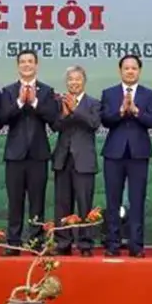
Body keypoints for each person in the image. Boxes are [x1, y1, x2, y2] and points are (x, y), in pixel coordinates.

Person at [0, 49, 58, 254]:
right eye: (22, 61)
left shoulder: (47, 91)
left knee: (37, 202)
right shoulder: (8, 91)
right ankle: (13, 243)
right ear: (18, 66)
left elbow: (54, 119)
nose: (26, 65)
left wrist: (34, 102)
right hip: (14, 155)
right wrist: (19, 102)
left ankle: (35, 243)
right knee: (15, 201)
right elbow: (2, 118)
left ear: (36, 65)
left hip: (38, 155)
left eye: (30, 61)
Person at [100, 54, 152, 257]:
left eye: (134, 68)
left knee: (137, 200)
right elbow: (105, 120)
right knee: (113, 201)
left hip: (138, 154)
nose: (130, 71)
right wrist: (120, 111)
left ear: (139, 71)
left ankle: (136, 245)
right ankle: (113, 244)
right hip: (114, 153)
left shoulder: (148, 94)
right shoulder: (109, 93)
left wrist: (136, 111)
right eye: (126, 68)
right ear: (120, 71)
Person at [51, 65, 101, 256]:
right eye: (70, 79)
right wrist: (64, 113)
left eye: (77, 79)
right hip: (63, 159)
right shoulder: (59, 103)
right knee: (62, 204)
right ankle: (63, 243)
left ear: (84, 81)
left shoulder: (93, 103)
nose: (74, 82)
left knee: (84, 204)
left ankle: (85, 244)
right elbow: (55, 126)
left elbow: (94, 124)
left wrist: (76, 110)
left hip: (84, 161)